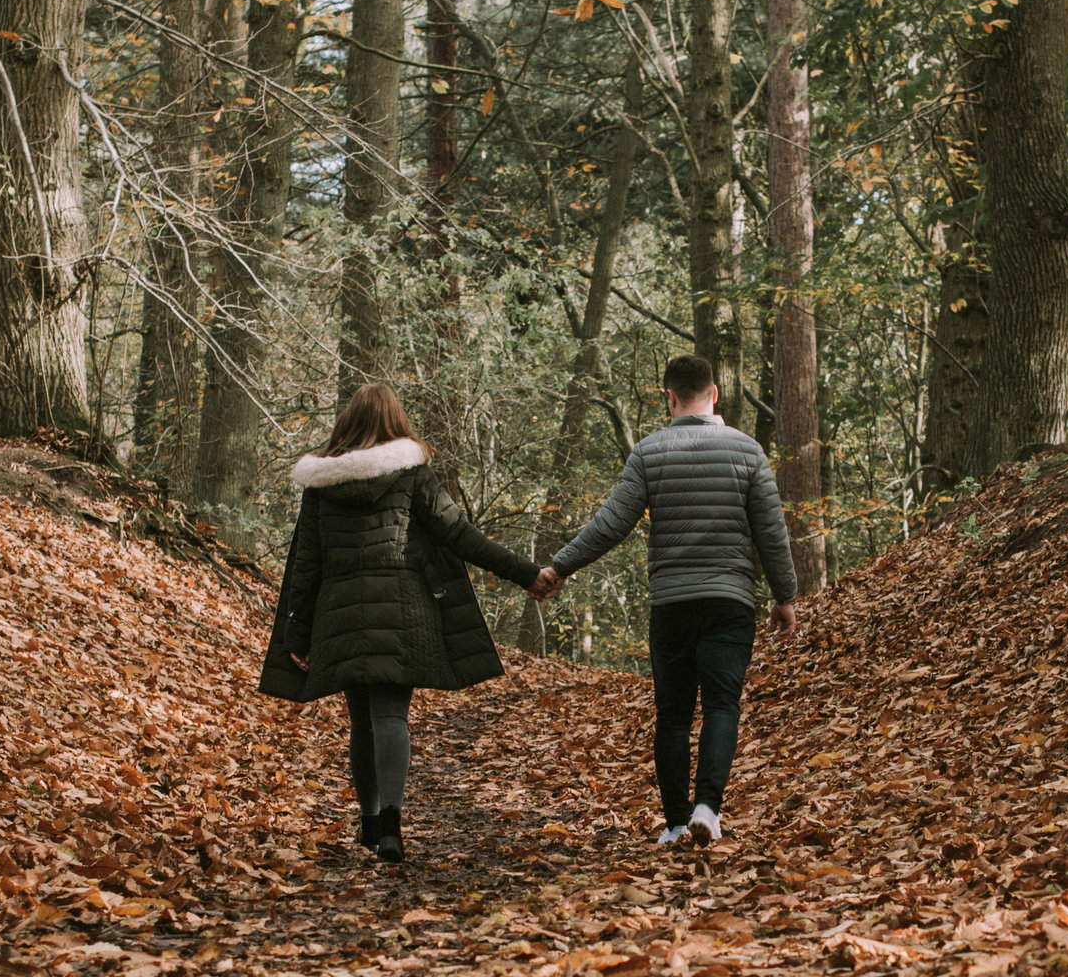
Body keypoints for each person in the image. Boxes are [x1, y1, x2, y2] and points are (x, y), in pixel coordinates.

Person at [259, 384, 541, 863]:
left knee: (360, 723)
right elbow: (461, 536)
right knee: (390, 715)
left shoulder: (321, 486)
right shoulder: (413, 476)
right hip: (402, 610)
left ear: (346, 424)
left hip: (339, 613)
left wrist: (297, 634)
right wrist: (529, 574)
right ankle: (391, 825)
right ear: (395, 422)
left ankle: (368, 824)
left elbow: (306, 566)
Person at [532, 354, 798, 846]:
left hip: (672, 605)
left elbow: (611, 523)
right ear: (715, 393)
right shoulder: (747, 451)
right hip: (729, 601)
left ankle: (676, 824)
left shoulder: (649, 452)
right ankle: (707, 809)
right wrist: (785, 596)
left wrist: (559, 565)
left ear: (669, 398)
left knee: (674, 714)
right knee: (722, 706)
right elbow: (771, 531)